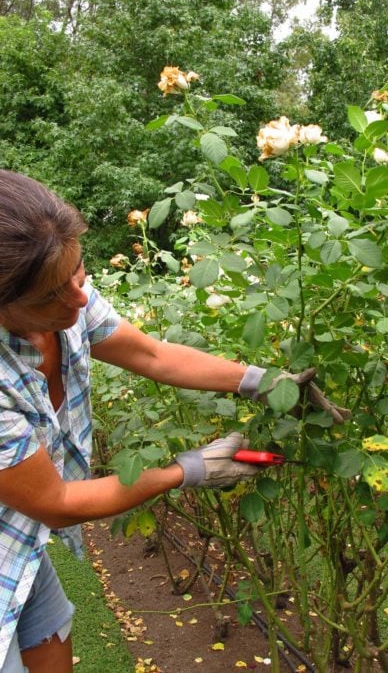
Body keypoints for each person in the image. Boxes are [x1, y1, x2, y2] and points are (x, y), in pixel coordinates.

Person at [0, 170, 347, 672]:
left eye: (79, 274)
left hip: (21, 544)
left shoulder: (64, 293)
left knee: (51, 638)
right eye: (53, 294)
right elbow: (56, 503)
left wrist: (262, 380)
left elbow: (154, 355)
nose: (79, 300)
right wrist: (188, 470)